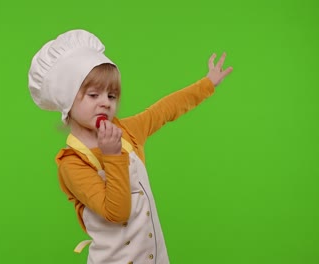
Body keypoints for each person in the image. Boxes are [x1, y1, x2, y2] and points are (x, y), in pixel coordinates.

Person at [28, 29, 232, 264]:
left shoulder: (128, 132)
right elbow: (117, 213)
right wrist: (112, 155)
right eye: (93, 95)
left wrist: (207, 84)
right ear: (67, 100)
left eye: (112, 96)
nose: (105, 102)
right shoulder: (73, 163)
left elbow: (165, 110)